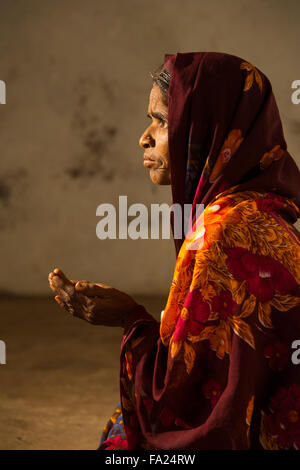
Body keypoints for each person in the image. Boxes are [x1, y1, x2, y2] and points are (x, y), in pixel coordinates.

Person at [48, 52, 300, 450]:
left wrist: (130, 318)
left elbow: (184, 404)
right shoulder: (262, 212)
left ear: (207, 130)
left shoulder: (222, 232)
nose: (144, 137)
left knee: (120, 437)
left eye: (161, 121)